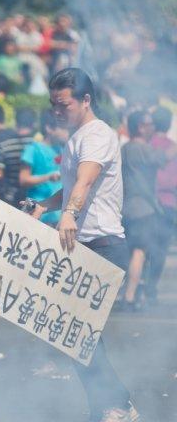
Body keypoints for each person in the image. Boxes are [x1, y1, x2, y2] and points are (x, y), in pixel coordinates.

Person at [28, 68, 139, 422]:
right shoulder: (75, 137)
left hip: (101, 243)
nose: (57, 111)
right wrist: (46, 206)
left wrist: (69, 214)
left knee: (78, 332)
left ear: (86, 100)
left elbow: (86, 181)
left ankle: (116, 404)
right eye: (53, 105)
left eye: (64, 104)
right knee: (72, 334)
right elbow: (72, 184)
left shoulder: (97, 135)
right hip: (80, 243)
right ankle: (106, 405)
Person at [120, 110, 177, 311]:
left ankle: (132, 292)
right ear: (140, 127)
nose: (152, 127)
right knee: (139, 251)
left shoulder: (125, 148)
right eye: (148, 124)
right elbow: (164, 156)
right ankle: (129, 296)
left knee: (132, 252)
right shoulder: (140, 148)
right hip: (142, 209)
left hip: (126, 207)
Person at [145, 107, 177, 304]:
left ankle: (138, 285)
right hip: (168, 204)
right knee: (160, 249)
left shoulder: (147, 145)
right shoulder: (173, 147)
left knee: (142, 247)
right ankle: (151, 288)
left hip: (148, 202)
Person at [19, 110, 67, 226]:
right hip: (36, 213)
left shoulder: (63, 150)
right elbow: (23, 180)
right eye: (62, 128)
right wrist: (48, 177)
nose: (66, 132)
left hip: (57, 215)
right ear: (49, 128)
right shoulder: (33, 149)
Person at [0, 108, 38, 207]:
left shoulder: (4, 145)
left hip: (11, 197)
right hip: (34, 197)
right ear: (34, 124)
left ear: (16, 122)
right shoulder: (38, 145)